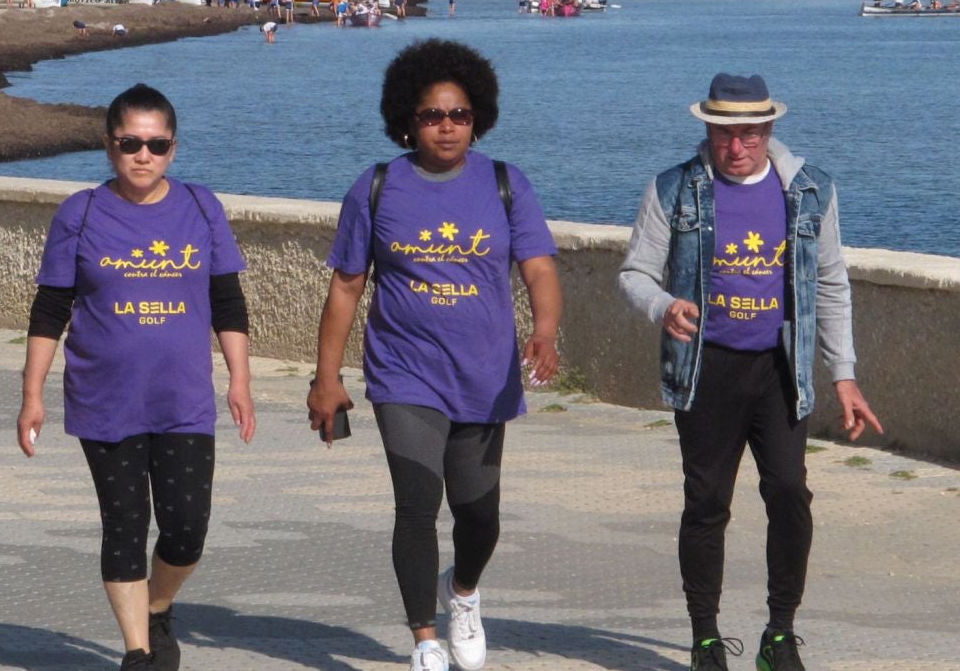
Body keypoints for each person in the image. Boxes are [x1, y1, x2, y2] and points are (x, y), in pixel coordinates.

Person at [308, 40, 564, 671]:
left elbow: (538, 265)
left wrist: (547, 329)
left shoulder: (506, 184)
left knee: (480, 514)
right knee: (417, 504)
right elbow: (346, 286)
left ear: (478, 119)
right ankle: (425, 639)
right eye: (431, 114)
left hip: (485, 374)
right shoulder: (376, 187)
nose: (446, 126)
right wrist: (326, 378)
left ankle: (465, 593)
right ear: (407, 120)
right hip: (403, 373)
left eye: (459, 114)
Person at [617, 74, 882, 671]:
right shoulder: (674, 191)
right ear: (708, 130)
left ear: (769, 130)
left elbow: (832, 284)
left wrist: (844, 374)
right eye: (725, 134)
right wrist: (664, 307)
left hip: (779, 369)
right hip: (706, 370)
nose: (737, 148)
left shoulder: (812, 192)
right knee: (707, 503)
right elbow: (634, 273)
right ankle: (706, 637)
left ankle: (780, 634)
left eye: (750, 134)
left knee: (790, 493)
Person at [19, 83, 255, 671]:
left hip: (184, 399)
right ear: (109, 145)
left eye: (156, 144)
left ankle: (158, 604)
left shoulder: (201, 208)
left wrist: (241, 381)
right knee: (124, 524)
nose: (143, 155)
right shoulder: (83, 212)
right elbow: (50, 310)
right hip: (106, 397)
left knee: (186, 530)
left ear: (173, 148)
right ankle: (138, 653)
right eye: (130, 143)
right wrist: (32, 396)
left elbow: (228, 303)